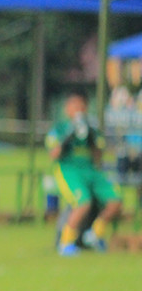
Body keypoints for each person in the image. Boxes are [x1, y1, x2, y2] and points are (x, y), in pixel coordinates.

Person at [47, 90, 122, 255]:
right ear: (67, 108)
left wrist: (92, 139)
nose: (78, 110)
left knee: (115, 200)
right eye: (74, 106)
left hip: (91, 170)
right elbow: (53, 155)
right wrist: (69, 137)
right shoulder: (59, 128)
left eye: (81, 106)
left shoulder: (92, 127)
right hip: (70, 170)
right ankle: (65, 242)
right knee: (83, 203)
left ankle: (94, 234)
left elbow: (99, 156)